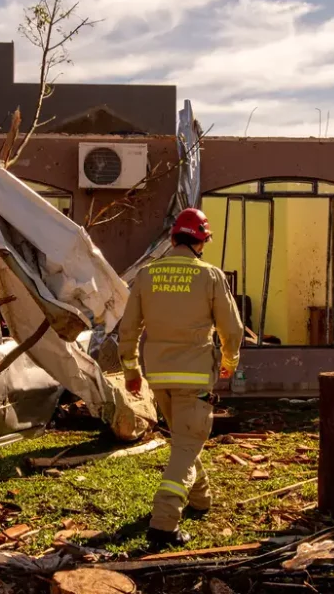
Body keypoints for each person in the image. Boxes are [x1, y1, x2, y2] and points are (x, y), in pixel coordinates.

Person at [118, 207, 244, 548]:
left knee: (185, 443)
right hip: (195, 377)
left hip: (159, 377)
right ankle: (164, 522)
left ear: (173, 238)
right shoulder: (211, 276)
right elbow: (231, 330)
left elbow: (128, 329)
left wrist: (131, 370)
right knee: (188, 443)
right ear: (201, 242)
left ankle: (201, 500)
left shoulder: (146, 275)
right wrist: (230, 362)